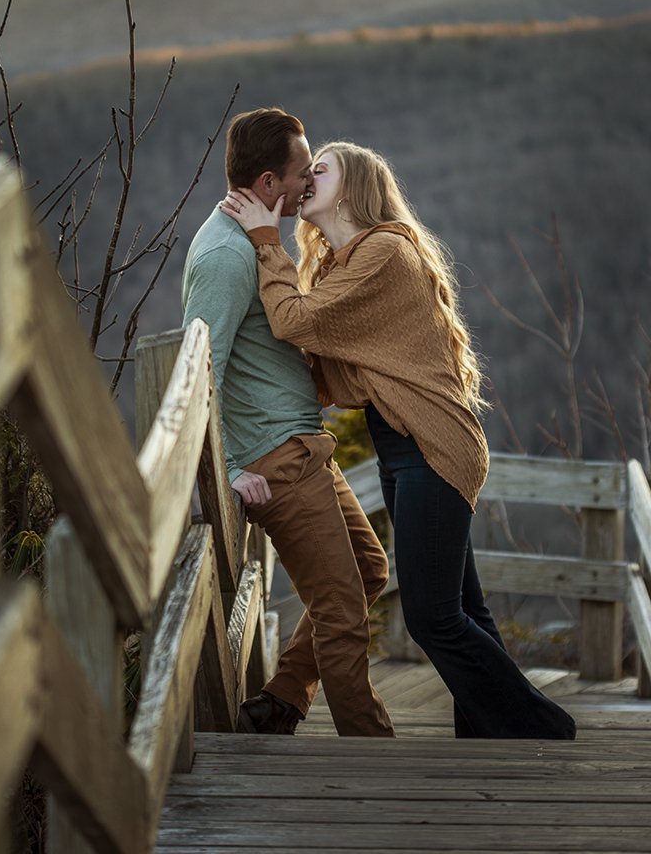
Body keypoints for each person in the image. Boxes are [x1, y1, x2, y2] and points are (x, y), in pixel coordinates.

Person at [221, 140, 577, 740]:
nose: (308, 176)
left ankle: (542, 726)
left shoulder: (383, 252)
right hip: (407, 446)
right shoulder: (345, 263)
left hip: (430, 447)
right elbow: (327, 374)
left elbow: (295, 322)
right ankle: (489, 732)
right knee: (466, 611)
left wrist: (264, 241)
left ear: (354, 186)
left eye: (322, 168)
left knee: (433, 617)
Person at [182, 109, 394, 738]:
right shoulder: (225, 256)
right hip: (277, 459)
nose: (309, 183)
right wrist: (225, 469)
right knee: (340, 609)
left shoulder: (250, 239)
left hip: (304, 447)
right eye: (303, 173)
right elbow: (199, 374)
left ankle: (281, 700)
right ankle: (373, 750)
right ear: (270, 181)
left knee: (369, 569)